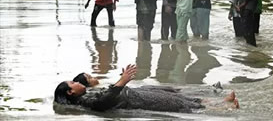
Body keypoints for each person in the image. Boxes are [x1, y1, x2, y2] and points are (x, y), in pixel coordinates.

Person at [54, 65, 239, 113]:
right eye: (73, 83)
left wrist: (122, 81)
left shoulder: (85, 95)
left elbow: (104, 94)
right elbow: (103, 102)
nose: (77, 83)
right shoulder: (84, 102)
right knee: (177, 104)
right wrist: (121, 82)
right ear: (70, 92)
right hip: (135, 100)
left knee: (183, 99)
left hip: (135, 94)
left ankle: (223, 101)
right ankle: (224, 109)